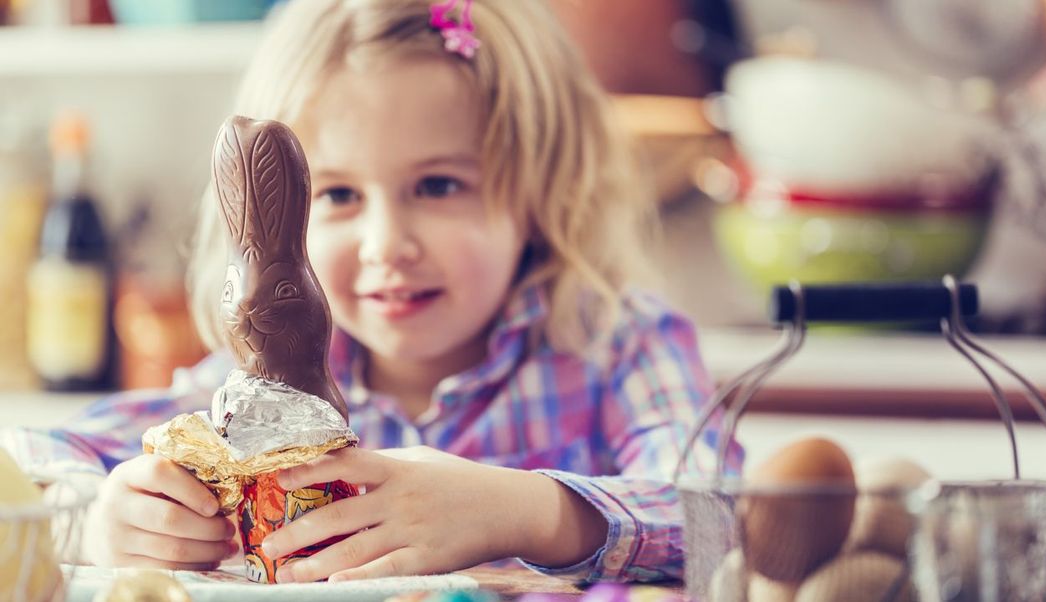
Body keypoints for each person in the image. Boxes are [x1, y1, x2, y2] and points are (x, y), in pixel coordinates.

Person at [2, 0, 740, 584]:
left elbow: (725, 523)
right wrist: (103, 516)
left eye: (439, 185)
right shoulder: (262, 393)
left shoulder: (620, 343)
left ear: (544, 192)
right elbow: (29, 460)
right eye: (340, 195)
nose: (388, 242)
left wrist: (523, 512)